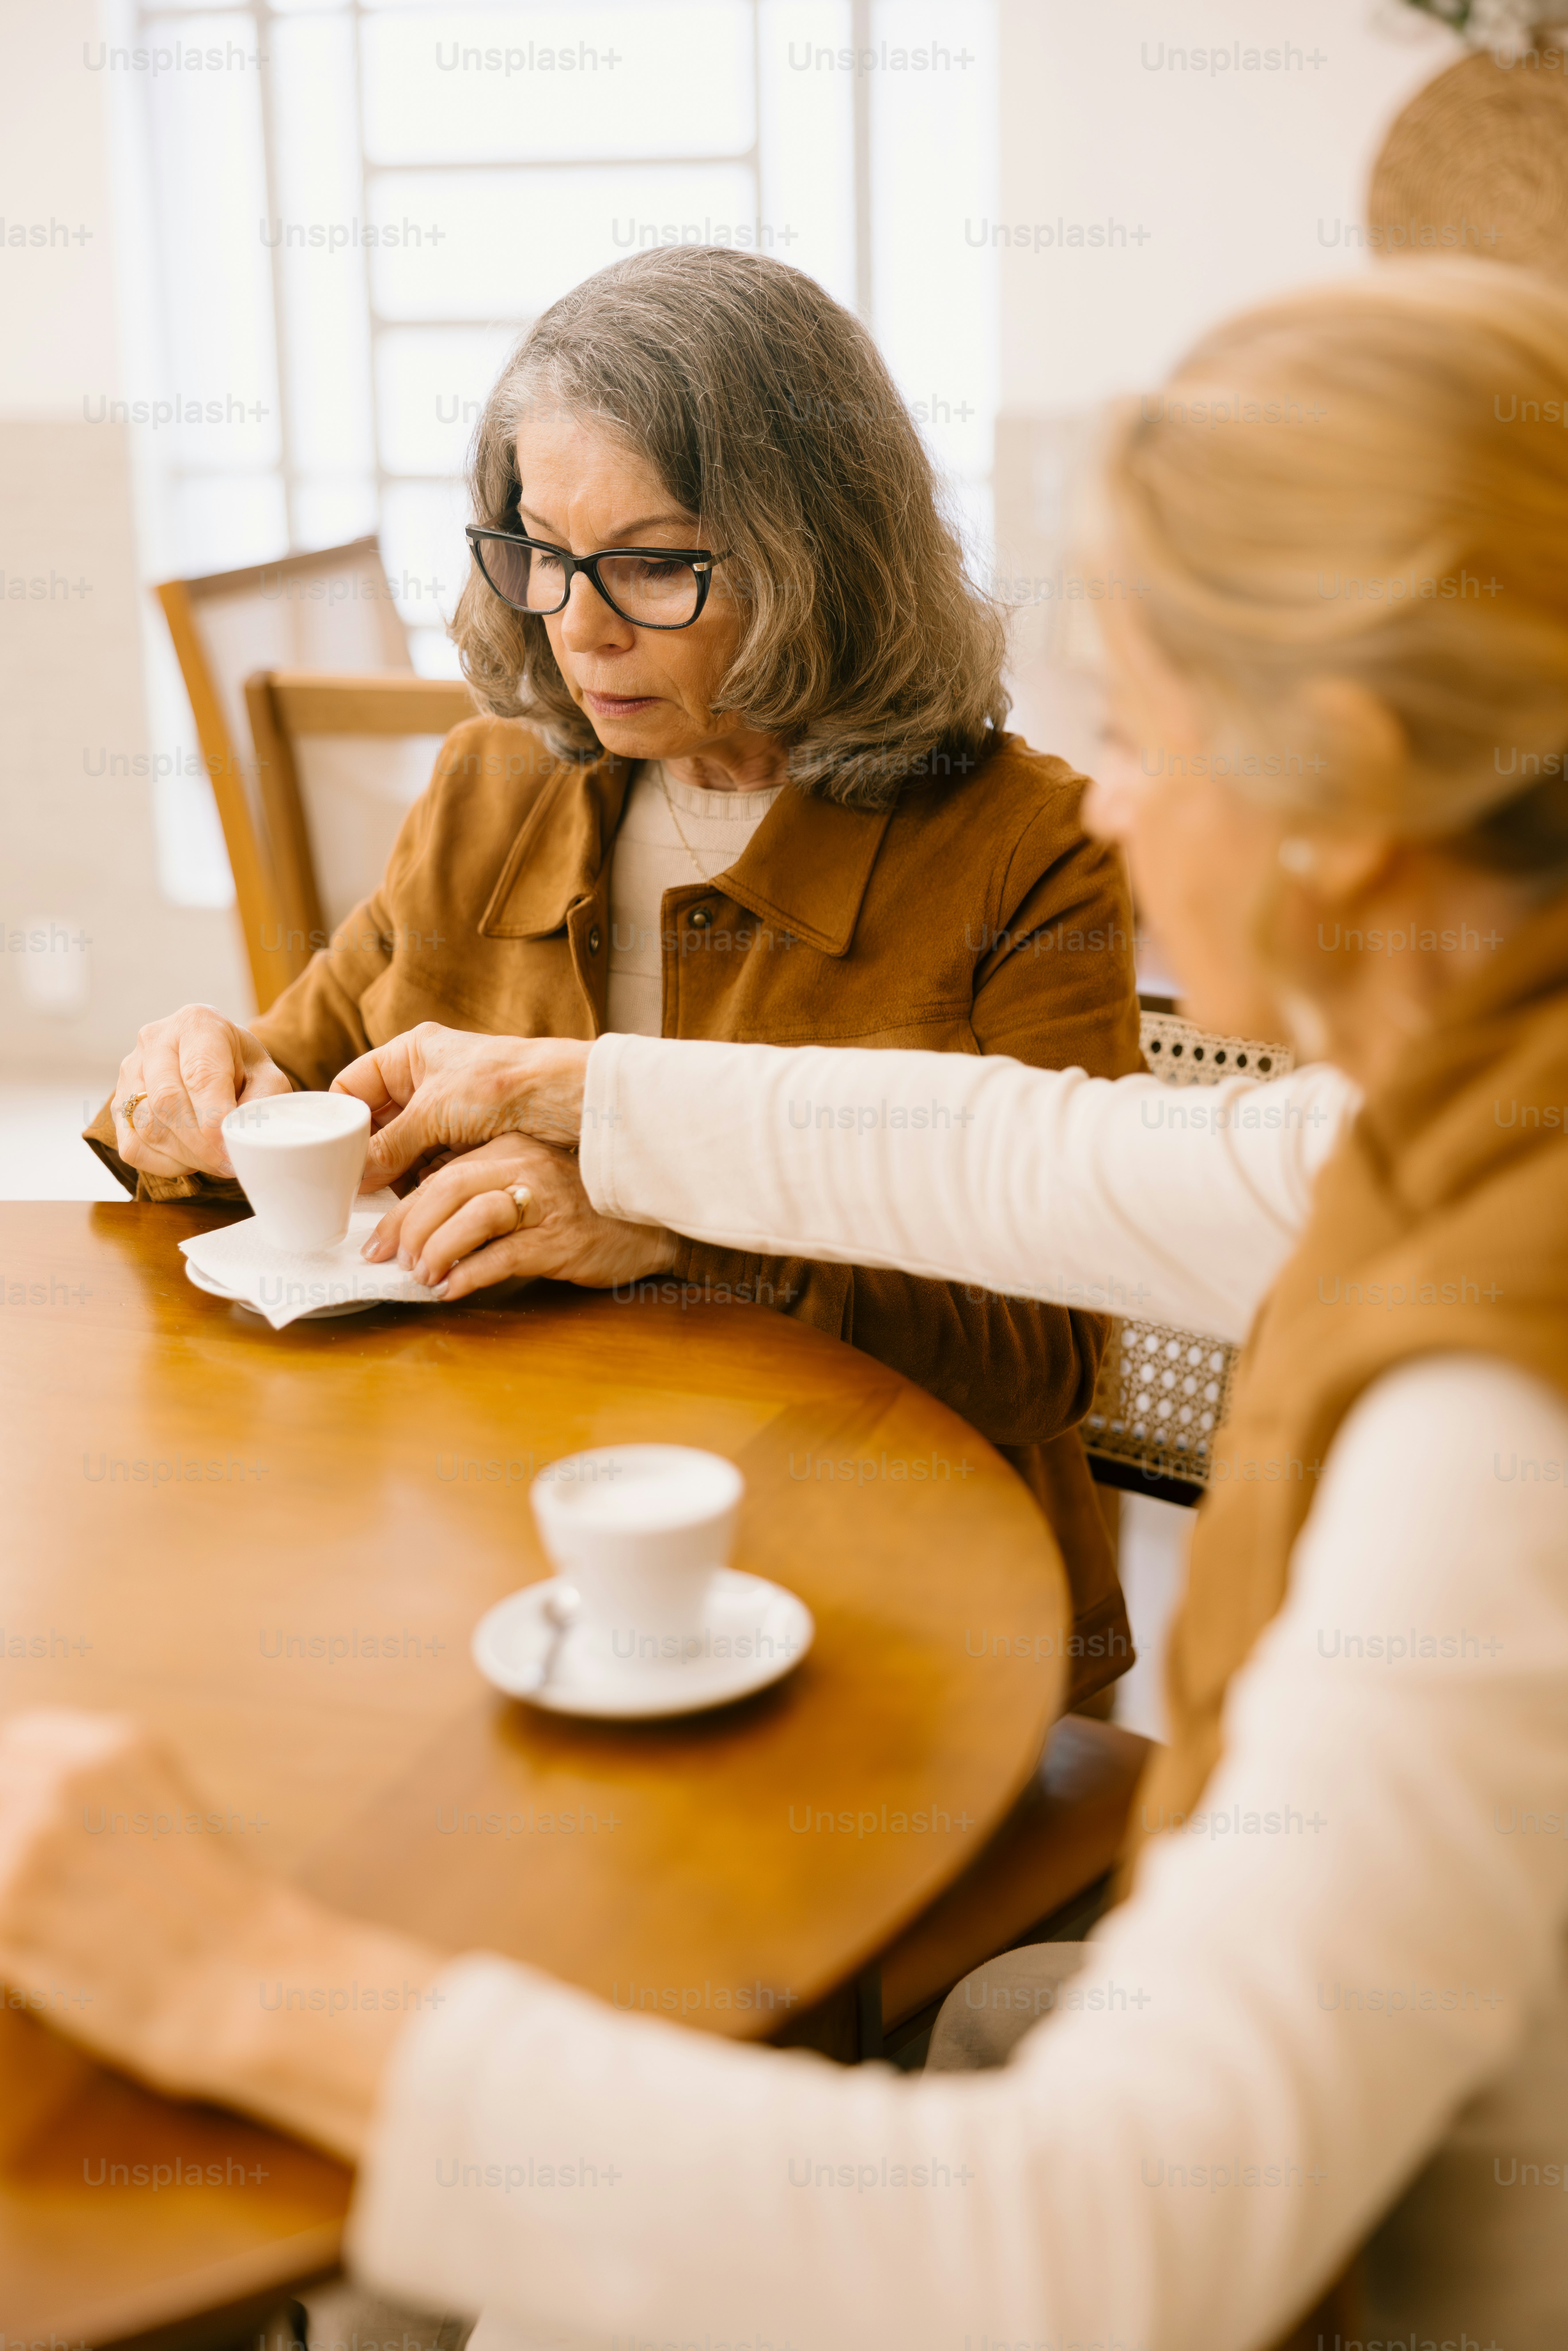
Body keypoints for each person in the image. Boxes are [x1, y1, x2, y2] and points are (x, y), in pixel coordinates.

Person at [15, 257, 1568, 2347]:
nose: (1109, 790)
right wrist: (572, 1091)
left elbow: (1102, 2244)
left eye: (1151, 726)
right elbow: (1064, 1157)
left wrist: (233, 1978)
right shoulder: (1448, 1129)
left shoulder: (1496, 1428)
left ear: (1353, 796)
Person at [85, 245, 1140, 1706]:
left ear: (815, 553)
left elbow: (1046, 1354)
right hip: (509, 1567)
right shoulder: (486, 785)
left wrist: (675, 1229)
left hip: (901, 1619)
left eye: (653, 563)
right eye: (538, 548)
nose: (574, 625)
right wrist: (189, 1087)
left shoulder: (1027, 851)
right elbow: (293, 1093)